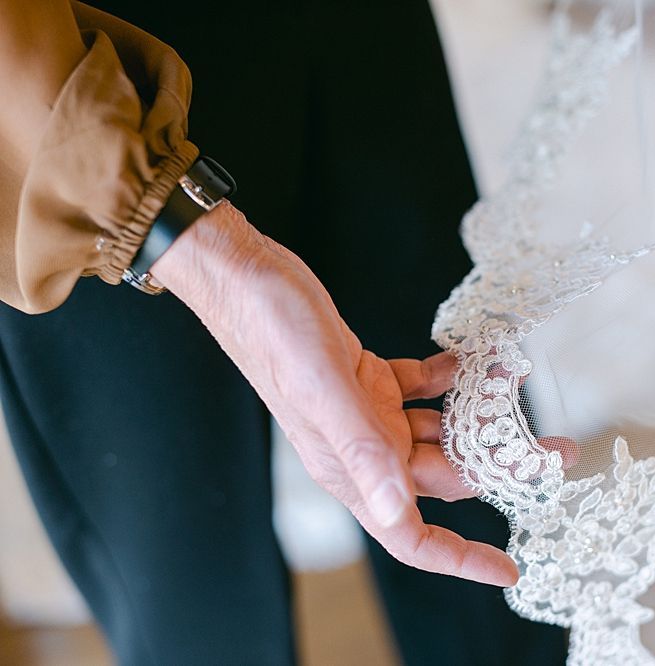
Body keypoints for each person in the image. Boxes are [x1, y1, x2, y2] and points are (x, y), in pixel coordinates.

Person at [0, 1, 567, 664]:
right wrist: (165, 223)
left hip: (355, 31)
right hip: (72, 72)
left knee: (461, 441)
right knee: (193, 580)